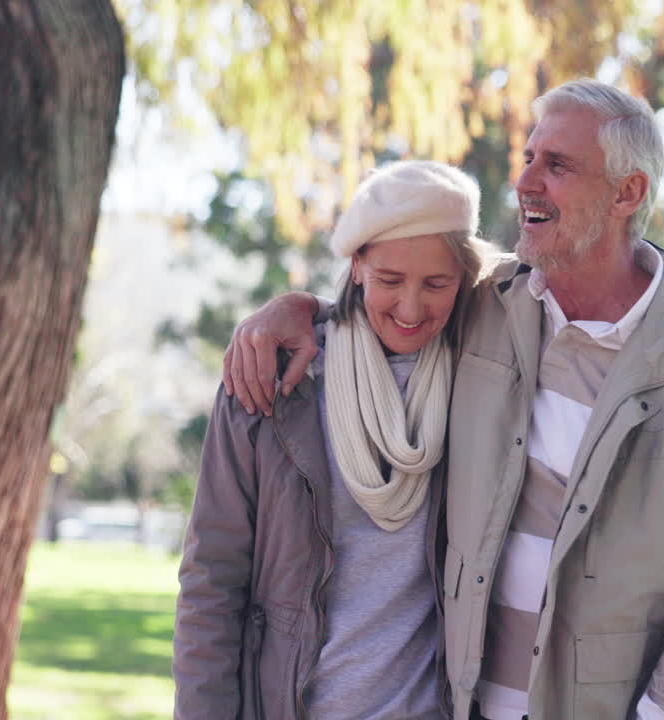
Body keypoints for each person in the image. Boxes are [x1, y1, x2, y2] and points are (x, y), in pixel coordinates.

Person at [224, 79, 664, 720]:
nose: (527, 182)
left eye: (558, 166)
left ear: (628, 193)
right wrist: (298, 310)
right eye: (529, 158)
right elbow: (400, 299)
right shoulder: (491, 302)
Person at [173, 160, 492, 720]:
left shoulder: (484, 379)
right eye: (390, 280)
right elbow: (211, 584)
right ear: (357, 264)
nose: (411, 308)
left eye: (436, 283)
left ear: (464, 280)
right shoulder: (271, 379)